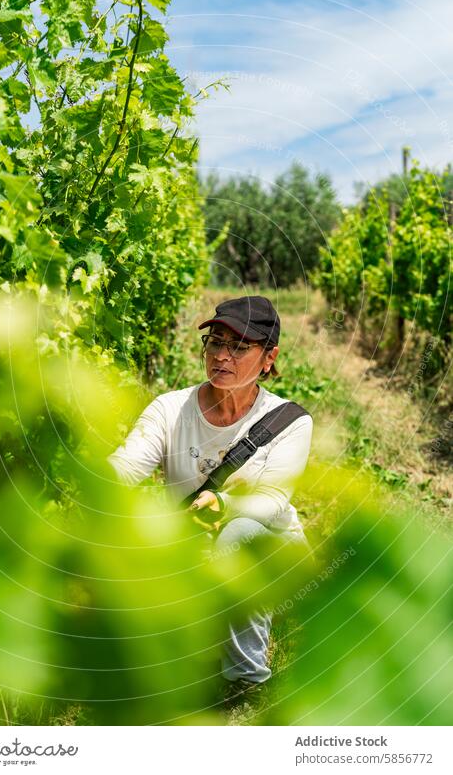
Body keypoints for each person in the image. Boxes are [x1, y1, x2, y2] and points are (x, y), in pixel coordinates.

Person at [108, 295, 313, 704]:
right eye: (215, 343)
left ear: (269, 358)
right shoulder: (170, 409)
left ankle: (246, 679)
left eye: (239, 347)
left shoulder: (289, 422)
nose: (222, 356)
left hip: (266, 547)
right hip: (191, 546)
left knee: (238, 532)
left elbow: (272, 499)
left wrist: (226, 506)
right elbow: (127, 464)